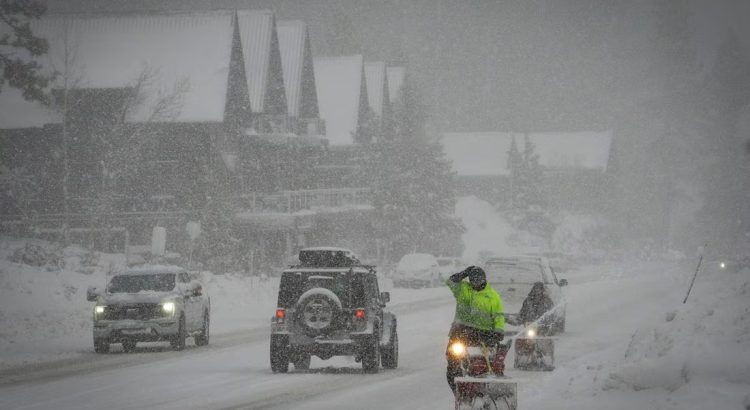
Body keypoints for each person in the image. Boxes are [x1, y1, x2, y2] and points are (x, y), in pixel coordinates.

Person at [445, 265, 505, 394]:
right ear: (470, 280)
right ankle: (460, 394)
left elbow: (499, 318)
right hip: (459, 333)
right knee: (453, 365)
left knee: (482, 364)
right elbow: (450, 281)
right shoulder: (462, 289)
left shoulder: (493, 297)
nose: (476, 283)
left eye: (479, 280)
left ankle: (483, 390)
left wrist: (498, 332)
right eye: (473, 280)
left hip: (483, 336)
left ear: (484, 280)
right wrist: (463, 273)